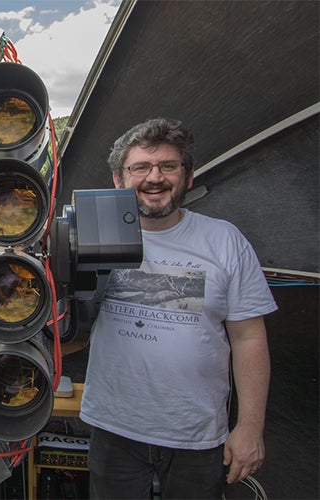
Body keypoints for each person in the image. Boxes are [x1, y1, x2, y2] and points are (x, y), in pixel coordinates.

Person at [79, 117, 277, 499]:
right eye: (140, 167)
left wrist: (250, 426)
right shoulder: (90, 237)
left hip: (197, 434)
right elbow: (66, 325)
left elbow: (250, 337)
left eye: (168, 166)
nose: (155, 178)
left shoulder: (224, 240)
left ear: (188, 175)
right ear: (119, 179)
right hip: (115, 428)